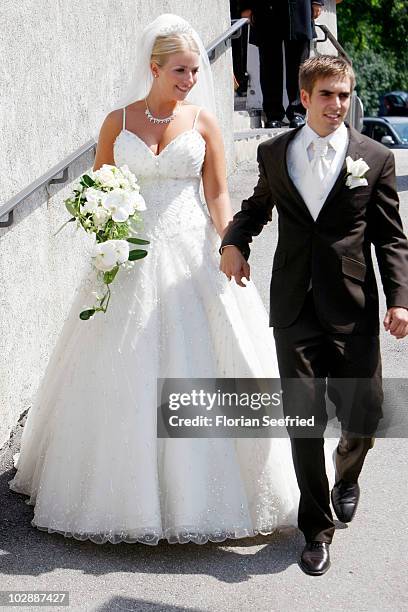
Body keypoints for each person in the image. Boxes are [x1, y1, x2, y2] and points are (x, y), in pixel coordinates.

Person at [9, 14, 302, 545]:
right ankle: (122, 497)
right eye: (180, 71)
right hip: (130, 253)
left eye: (194, 71)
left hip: (192, 251)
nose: (191, 80)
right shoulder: (116, 122)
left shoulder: (204, 123)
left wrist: (229, 242)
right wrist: (102, 226)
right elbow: (99, 184)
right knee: (121, 366)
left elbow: (216, 194)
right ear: (154, 68)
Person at [220, 54, 408, 574]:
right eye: (327, 95)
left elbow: (391, 238)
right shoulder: (274, 153)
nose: (337, 105)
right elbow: (258, 207)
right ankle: (315, 527)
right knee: (303, 420)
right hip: (294, 305)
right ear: (304, 97)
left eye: (344, 95)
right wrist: (235, 240)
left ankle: (348, 474)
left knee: (363, 415)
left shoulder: (373, 156)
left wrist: (400, 299)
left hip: (353, 305)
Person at [240, 0, 324, 128]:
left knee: (299, 65)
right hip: (265, 8)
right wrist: (245, 6)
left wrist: (317, 1)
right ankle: (273, 114)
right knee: (269, 64)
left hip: (299, 6)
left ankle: (298, 113)